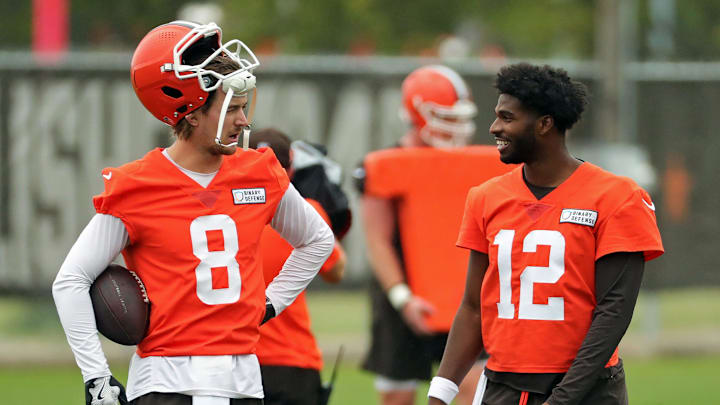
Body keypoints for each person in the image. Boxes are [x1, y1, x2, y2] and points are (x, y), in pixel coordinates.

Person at [52, 21, 334, 405]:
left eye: (243, 107)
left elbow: (317, 240)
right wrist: (97, 376)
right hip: (167, 383)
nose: (244, 120)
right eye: (232, 108)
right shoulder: (139, 186)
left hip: (244, 382)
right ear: (191, 112)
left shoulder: (259, 172)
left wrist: (271, 302)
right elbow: (71, 280)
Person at [427, 63, 664, 405]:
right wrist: (441, 392)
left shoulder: (617, 196)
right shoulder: (486, 197)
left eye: (507, 118)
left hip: (587, 389)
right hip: (503, 385)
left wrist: (563, 398)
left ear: (544, 123)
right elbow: (474, 307)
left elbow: (613, 312)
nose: (495, 128)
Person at [355, 65, 513, 405]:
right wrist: (403, 297)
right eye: (445, 116)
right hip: (402, 293)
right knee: (398, 396)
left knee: (473, 389)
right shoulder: (389, 163)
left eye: (458, 117)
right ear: (417, 112)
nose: (455, 126)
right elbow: (377, 240)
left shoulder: (479, 164)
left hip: (462, 295)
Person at [249, 128, 348, 405]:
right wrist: (325, 211)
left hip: (231, 359)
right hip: (291, 361)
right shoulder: (309, 211)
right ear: (291, 166)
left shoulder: (220, 211)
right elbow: (337, 271)